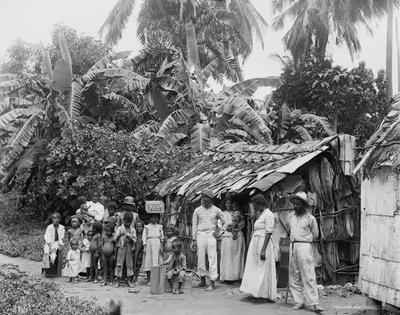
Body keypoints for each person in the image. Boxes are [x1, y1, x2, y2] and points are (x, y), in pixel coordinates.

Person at [288, 192, 323, 313]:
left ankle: (314, 303)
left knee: (308, 275)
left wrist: (305, 241)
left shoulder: (310, 218)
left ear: (304, 205)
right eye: (294, 204)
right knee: (294, 275)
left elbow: (316, 234)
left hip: (305, 246)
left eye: (298, 204)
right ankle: (299, 301)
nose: (295, 206)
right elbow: (290, 230)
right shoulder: (291, 216)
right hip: (293, 245)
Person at [240, 194, 277, 301]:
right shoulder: (261, 215)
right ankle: (256, 292)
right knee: (255, 268)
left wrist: (263, 249)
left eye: (255, 205)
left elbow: (269, 232)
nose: (254, 207)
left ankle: (264, 294)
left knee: (263, 268)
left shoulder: (269, 214)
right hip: (256, 242)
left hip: (263, 243)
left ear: (261, 204)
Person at [191, 188, 225, 291]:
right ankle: (202, 281)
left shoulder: (216, 210)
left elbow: (225, 221)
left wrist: (219, 232)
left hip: (211, 235)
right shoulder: (197, 210)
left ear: (211, 199)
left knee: (212, 258)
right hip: (200, 234)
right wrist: (194, 239)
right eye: (203, 198)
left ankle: (212, 283)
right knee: (200, 258)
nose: (205, 200)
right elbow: (194, 225)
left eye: (207, 198)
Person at [220, 200, 246, 282]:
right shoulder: (222, 214)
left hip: (237, 236)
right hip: (227, 236)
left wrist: (236, 230)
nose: (229, 205)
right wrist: (227, 228)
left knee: (236, 256)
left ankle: (236, 276)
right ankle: (227, 276)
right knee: (227, 256)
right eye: (227, 203)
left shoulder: (238, 214)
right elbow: (220, 225)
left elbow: (242, 224)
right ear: (225, 204)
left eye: (231, 203)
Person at [115, 212, 137, 288]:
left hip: (129, 248)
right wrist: (120, 235)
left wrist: (131, 239)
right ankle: (117, 280)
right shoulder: (120, 228)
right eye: (127, 221)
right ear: (123, 220)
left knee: (129, 264)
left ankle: (129, 281)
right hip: (121, 248)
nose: (128, 223)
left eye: (130, 222)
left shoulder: (132, 229)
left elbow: (135, 239)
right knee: (119, 264)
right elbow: (115, 238)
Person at [143, 213, 164, 285]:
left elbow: (162, 237)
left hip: (157, 244)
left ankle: (155, 279)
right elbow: (144, 237)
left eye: (156, 217)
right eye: (152, 217)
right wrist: (145, 246)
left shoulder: (160, 227)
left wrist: (161, 246)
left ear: (158, 219)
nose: (154, 219)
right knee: (149, 261)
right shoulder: (147, 227)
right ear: (150, 218)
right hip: (149, 244)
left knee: (156, 261)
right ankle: (148, 280)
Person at [42, 212, 65, 278]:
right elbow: (47, 237)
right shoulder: (49, 227)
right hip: (49, 243)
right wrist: (49, 246)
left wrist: (60, 244)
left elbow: (61, 238)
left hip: (56, 242)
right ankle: (46, 269)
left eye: (56, 218)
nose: (54, 220)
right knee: (46, 251)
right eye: (53, 219)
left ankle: (52, 260)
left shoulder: (62, 227)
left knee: (54, 250)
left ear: (59, 219)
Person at [133, 220, 145, 284]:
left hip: (140, 254)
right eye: (137, 227)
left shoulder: (144, 236)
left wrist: (141, 253)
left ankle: (136, 278)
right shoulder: (134, 235)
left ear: (143, 227)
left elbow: (144, 245)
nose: (138, 228)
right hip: (133, 253)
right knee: (132, 266)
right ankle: (132, 279)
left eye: (140, 227)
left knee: (138, 266)